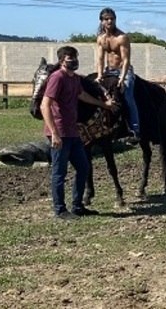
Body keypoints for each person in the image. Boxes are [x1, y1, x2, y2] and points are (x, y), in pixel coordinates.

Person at [41, 46, 114, 220]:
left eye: (75, 57)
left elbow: (82, 95)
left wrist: (103, 105)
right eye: (69, 58)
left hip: (73, 132)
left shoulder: (74, 79)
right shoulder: (57, 78)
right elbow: (45, 105)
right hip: (60, 132)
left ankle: (77, 205)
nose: (73, 61)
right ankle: (60, 209)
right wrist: (54, 133)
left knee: (83, 167)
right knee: (59, 172)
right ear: (61, 61)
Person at [95, 7, 140, 144]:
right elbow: (100, 59)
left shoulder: (122, 37)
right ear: (101, 21)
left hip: (123, 71)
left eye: (112, 19)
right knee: (96, 91)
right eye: (106, 19)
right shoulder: (101, 39)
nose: (109, 21)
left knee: (127, 93)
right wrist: (99, 75)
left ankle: (135, 129)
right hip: (109, 70)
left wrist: (122, 78)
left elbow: (126, 60)